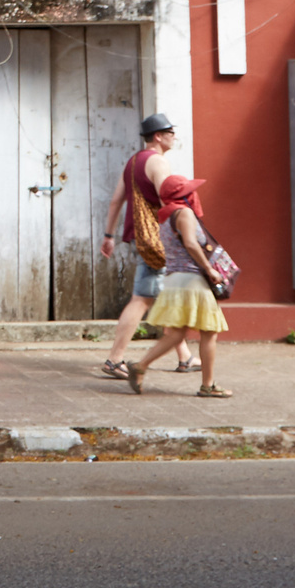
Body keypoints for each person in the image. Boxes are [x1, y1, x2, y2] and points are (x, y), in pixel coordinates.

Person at [96, 114, 192, 380]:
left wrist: (109, 235)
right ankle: (114, 359)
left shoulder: (133, 162)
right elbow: (168, 202)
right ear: (158, 136)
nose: (174, 137)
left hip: (139, 237)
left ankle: (184, 356)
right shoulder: (158, 162)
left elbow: (116, 200)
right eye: (170, 133)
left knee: (162, 294)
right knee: (142, 298)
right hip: (155, 240)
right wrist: (184, 235)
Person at [120, 173, 232, 397]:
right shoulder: (184, 213)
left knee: (176, 334)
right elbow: (190, 243)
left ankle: (140, 366)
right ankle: (208, 386)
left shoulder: (165, 217)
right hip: (191, 280)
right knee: (209, 332)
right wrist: (209, 269)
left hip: (174, 280)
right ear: (184, 195)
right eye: (190, 191)